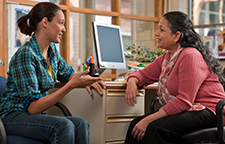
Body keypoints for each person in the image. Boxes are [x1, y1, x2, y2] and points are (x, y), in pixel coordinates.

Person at [0, 2, 105, 144]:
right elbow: (33, 107)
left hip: (34, 116)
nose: (64, 29)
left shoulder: (52, 52)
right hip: (14, 116)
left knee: (81, 123)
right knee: (64, 126)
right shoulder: (26, 55)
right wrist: (71, 86)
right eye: (61, 23)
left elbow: (68, 74)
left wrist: (85, 79)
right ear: (45, 22)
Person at [124, 11, 225, 144]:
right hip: (189, 109)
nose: (156, 33)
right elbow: (142, 74)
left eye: (161, 29)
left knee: (155, 128)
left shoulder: (190, 55)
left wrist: (148, 120)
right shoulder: (168, 57)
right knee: (135, 125)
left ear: (177, 35)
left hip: (209, 111)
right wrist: (132, 81)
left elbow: (184, 101)